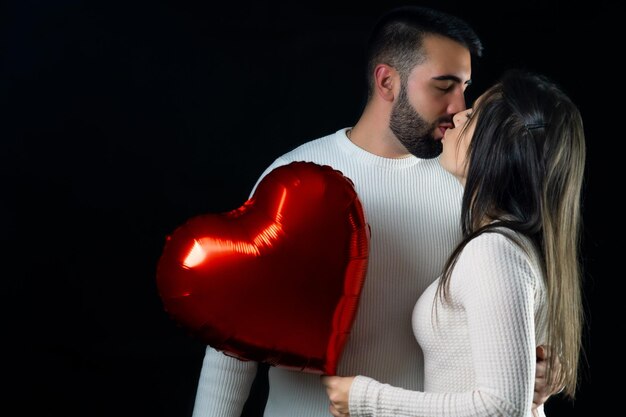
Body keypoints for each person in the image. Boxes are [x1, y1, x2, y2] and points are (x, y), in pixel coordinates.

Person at [192, 7, 556, 416]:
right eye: (444, 86)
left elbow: (502, 325)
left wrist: (538, 372)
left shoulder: (467, 191)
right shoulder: (294, 178)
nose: (459, 106)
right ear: (387, 82)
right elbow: (232, 339)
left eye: (465, 87)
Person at [321, 68, 585, 416]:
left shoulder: (494, 251)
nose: (458, 114)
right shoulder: (514, 246)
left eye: (474, 114)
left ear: (497, 146)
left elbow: (501, 408)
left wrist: (365, 399)